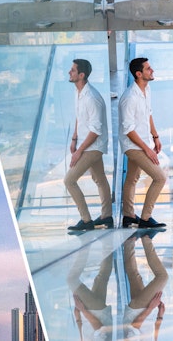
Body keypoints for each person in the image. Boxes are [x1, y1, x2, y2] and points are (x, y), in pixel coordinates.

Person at [65, 59, 113, 231]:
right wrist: (74, 139)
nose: (69, 72)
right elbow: (80, 117)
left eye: (72, 70)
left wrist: (79, 151)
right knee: (99, 179)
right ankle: (107, 217)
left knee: (69, 180)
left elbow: (95, 130)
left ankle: (86, 221)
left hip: (93, 146)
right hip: (86, 143)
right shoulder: (78, 93)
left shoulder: (92, 98)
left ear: (81, 75)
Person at [119, 57, 167, 229]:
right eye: (148, 69)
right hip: (133, 145)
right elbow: (129, 130)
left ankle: (128, 216)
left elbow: (148, 114)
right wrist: (147, 150)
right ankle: (145, 219)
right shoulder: (129, 97)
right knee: (160, 177)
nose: (152, 70)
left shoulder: (147, 90)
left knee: (132, 178)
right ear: (139, 74)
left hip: (144, 141)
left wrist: (155, 136)